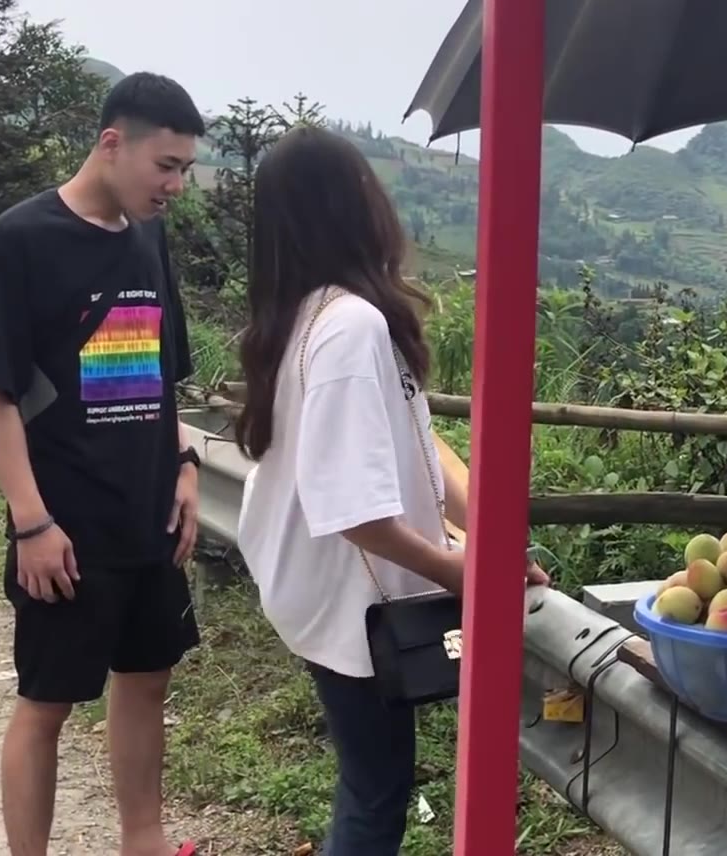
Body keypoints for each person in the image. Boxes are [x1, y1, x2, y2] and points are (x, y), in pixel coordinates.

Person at [233, 125, 546, 855]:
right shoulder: (349, 324)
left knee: (372, 781)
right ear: (357, 207)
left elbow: (415, 440)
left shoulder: (304, 316)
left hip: (315, 590)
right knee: (376, 793)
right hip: (349, 600)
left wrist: (497, 543)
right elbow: (356, 512)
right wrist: (464, 573)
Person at [0, 72, 207, 856]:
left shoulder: (148, 236)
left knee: (146, 683)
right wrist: (31, 522)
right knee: (48, 702)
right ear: (112, 143)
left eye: (183, 170)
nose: (175, 185)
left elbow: (165, 375)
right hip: (64, 526)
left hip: (148, 517)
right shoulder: (21, 239)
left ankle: (144, 841)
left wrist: (184, 470)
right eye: (164, 165)